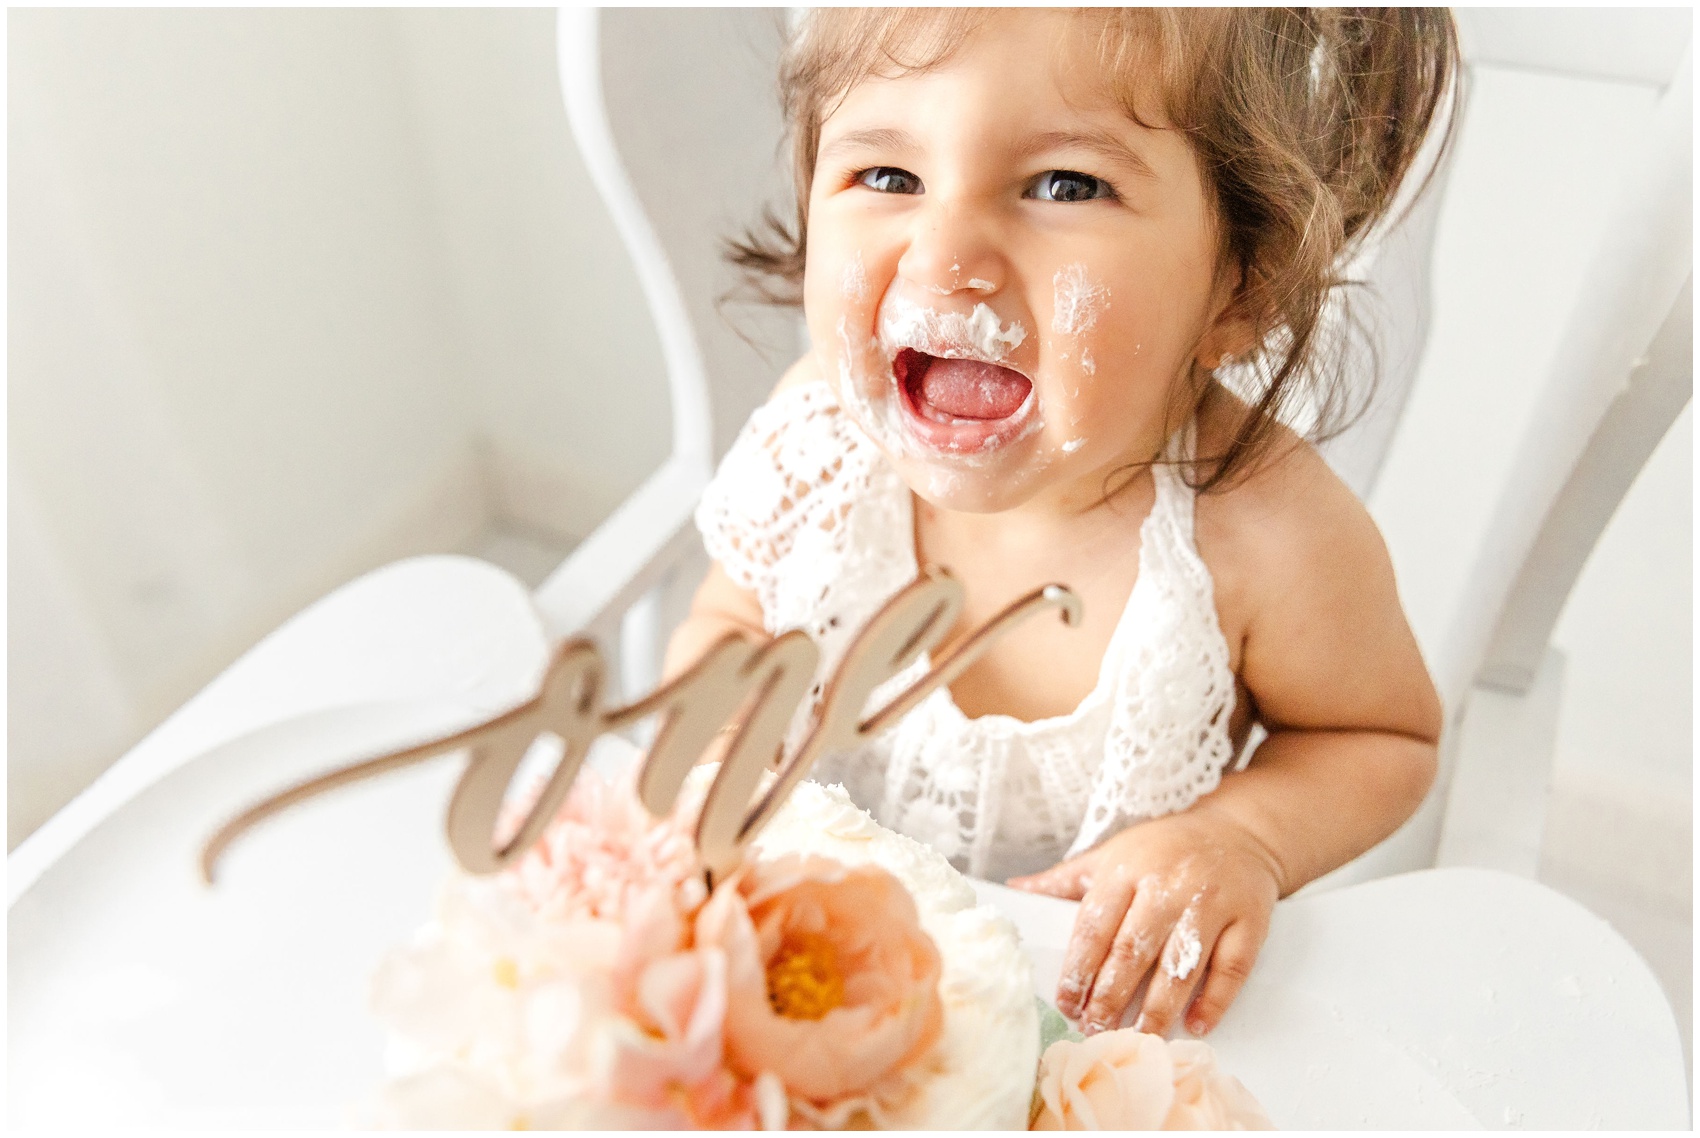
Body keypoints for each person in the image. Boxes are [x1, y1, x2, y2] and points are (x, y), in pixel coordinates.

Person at [663, 8, 1457, 1042]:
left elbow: (1376, 736)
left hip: (1094, 1025)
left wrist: (1241, 840)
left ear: (1240, 281)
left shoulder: (1262, 535)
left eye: (1065, 185)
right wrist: (726, 750)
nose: (945, 259)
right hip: (817, 990)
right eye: (888, 177)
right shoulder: (819, 441)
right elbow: (730, 624)